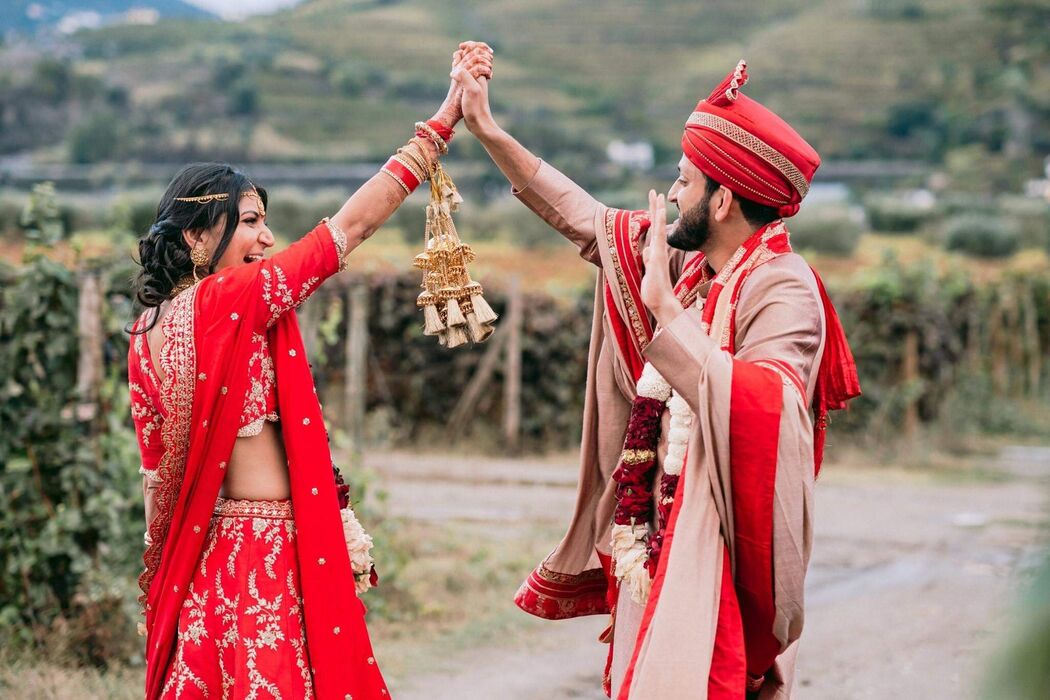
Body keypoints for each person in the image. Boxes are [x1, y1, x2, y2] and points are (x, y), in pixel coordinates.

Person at [453, 56, 860, 698]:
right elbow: (590, 224)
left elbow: (770, 406)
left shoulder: (783, 286)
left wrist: (668, 315)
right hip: (655, 534)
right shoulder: (694, 264)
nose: (672, 194)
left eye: (684, 181)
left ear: (722, 199)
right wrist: (488, 131)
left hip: (718, 543)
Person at [127, 43, 494, 699]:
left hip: (202, 566)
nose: (266, 238)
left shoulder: (146, 332)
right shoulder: (227, 301)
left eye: (265, 222)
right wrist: (443, 124)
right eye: (249, 222)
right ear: (194, 237)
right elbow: (346, 231)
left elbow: (156, 480)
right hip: (263, 560)